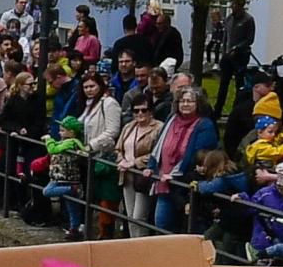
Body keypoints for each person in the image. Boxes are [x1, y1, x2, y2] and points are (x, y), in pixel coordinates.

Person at [149, 86, 219, 234]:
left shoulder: (205, 125)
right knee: (161, 224)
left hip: (186, 185)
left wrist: (176, 175)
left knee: (184, 228)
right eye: (182, 101)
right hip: (164, 182)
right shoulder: (171, 119)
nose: (185, 104)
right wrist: (151, 166)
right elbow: (158, 145)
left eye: (190, 101)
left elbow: (198, 156)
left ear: (198, 104)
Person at [79, 72, 123, 237]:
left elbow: (112, 131)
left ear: (100, 86)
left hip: (103, 155)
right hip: (88, 157)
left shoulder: (109, 103)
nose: (89, 90)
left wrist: (92, 145)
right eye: (85, 87)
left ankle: (105, 232)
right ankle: (90, 230)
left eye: (92, 86)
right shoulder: (89, 104)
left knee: (105, 198)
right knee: (90, 195)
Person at [117, 92, 162, 237]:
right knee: (130, 216)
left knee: (139, 217)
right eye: (136, 110)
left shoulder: (158, 128)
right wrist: (121, 160)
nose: (140, 113)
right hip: (127, 176)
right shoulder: (129, 127)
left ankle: (142, 248)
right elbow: (118, 148)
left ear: (151, 111)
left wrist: (135, 162)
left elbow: (157, 153)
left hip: (143, 177)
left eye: (144, 110)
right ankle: (134, 245)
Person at [217, 0, 257, 119]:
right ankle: (218, 109)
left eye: (235, 5)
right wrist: (224, 53)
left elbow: (250, 39)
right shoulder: (229, 19)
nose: (233, 7)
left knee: (239, 84)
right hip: (228, 57)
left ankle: (237, 110)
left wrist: (238, 48)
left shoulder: (248, 20)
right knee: (223, 83)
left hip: (240, 57)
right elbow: (225, 38)